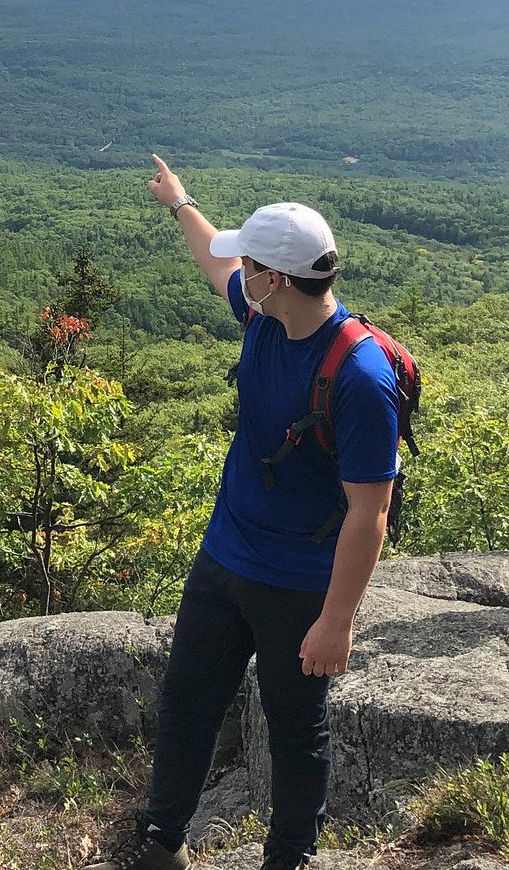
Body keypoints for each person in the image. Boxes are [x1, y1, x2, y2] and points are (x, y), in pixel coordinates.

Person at [91, 157, 401, 870]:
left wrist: (337, 620)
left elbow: (370, 512)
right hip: (226, 555)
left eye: (251, 264)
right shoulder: (268, 318)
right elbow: (211, 259)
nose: (241, 273)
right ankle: (162, 842)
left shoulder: (359, 377)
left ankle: (286, 859)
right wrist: (180, 202)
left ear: (277, 279)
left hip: (298, 582)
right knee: (188, 701)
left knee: (296, 728)